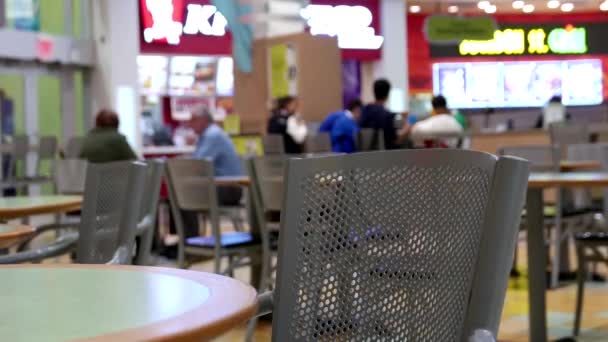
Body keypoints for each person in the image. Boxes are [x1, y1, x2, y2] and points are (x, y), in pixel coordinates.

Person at [182, 105, 243, 238]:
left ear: (203, 120)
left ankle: (189, 241)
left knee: (182, 196)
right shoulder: (210, 134)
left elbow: (198, 164)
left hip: (228, 189)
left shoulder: (212, 135)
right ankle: (188, 240)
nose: (189, 124)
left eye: (193, 120)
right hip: (224, 187)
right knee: (181, 195)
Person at [359, 79, 410, 149]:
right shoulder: (387, 116)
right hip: (384, 156)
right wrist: (408, 128)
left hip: (364, 155)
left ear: (374, 92)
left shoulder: (364, 110)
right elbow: (395, 140)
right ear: (388, 94)